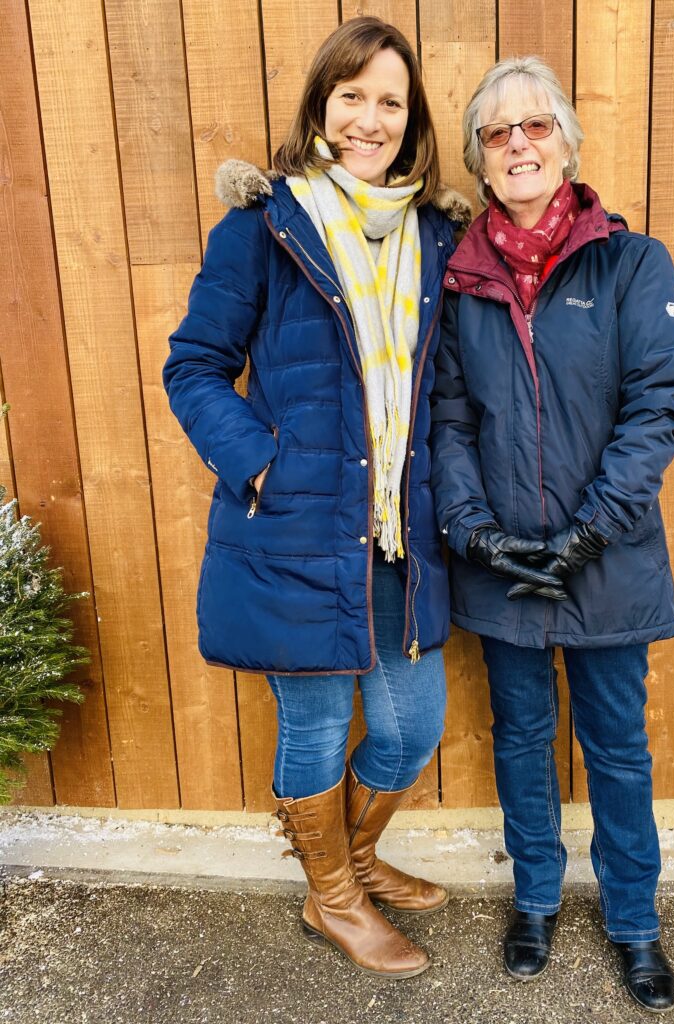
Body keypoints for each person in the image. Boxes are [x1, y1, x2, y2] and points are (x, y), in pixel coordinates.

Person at [162, 17, 498, 980]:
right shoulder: (264, 226)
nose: (369, 117)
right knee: (312, 723)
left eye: (389, 100)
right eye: (351, 95)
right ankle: (333, 898)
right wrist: (261, 464)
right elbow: (193, 367)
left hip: (398, 532)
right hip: (297, 527)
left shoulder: (438, 235)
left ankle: (347, 857)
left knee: (409, 726)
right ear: (320, 106)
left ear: (411, 120)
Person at [430, 56, 674, 1011]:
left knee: (617, 746)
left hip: (607, 561)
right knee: (521, 737)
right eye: (496, 134)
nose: (516, 145)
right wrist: (473, 532)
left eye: (534, 126)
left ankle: (634, 923)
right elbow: (449, 421)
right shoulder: (462, 280)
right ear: (478, 160)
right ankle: (536, 898)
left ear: (568, 143)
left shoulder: (632, 263)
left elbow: (656, 403)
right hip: (504, 563)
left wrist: (587, 535)